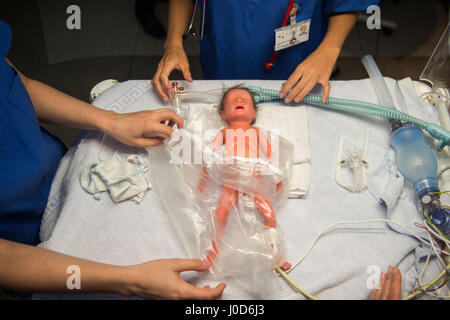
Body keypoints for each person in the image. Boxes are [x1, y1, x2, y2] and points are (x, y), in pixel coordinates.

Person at [0, 20, 225, 300]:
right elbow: (7, 260)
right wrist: (132, 281)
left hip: (54, 169)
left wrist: (111, 120)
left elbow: (15, 85)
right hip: (19, 234)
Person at [152, 0, 379, 104]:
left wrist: (329, 49)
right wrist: (173, 43)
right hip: (225, 48)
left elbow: (349, 2)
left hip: (296, 61)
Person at [196, 87, 290, 271]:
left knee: (268, 213)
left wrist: (277, 178)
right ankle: (212, 252)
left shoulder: (257, 133)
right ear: (223, 114)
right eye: (232, 100)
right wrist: (204, 178)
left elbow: (272, 158)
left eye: (244, 100)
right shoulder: (223, 134)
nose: (239, 100)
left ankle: (275, 255)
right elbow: (209, 156)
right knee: (221, 212)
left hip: (253, 177)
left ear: (253, 113)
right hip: (230, 176)